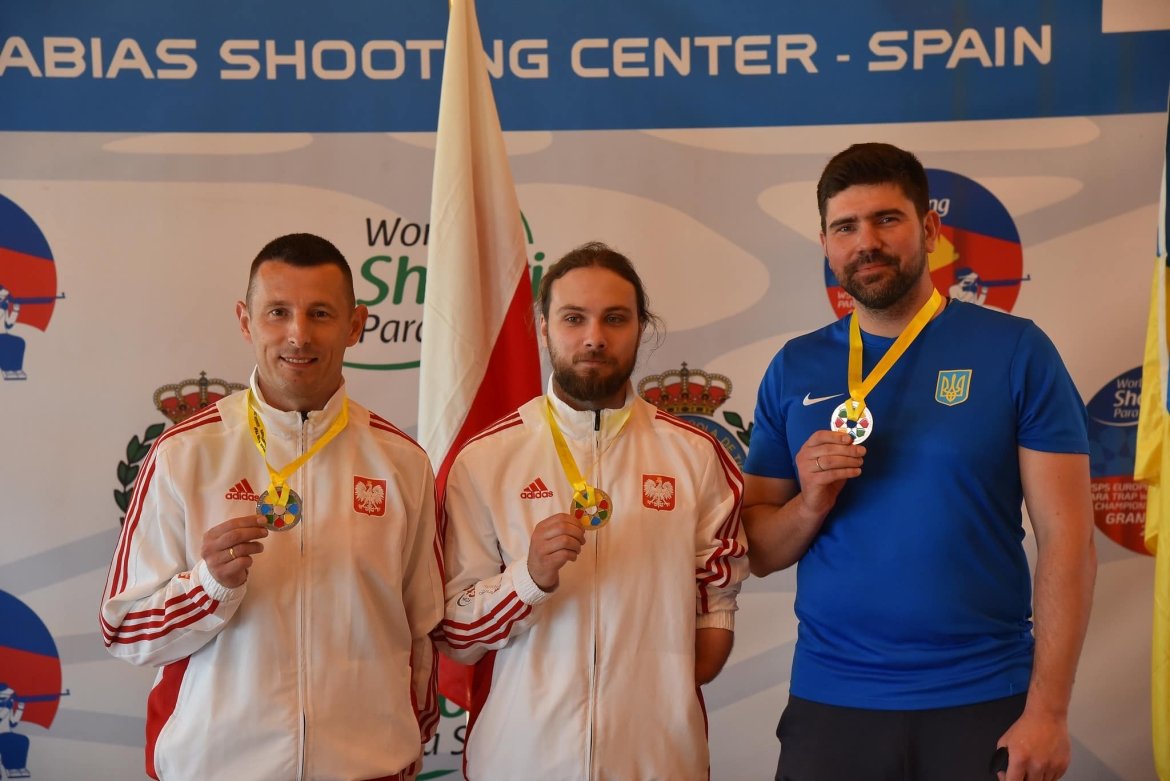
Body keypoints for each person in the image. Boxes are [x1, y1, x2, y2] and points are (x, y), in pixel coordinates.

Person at [743, 143, 1095, 781]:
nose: (866, 242)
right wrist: (811, 502)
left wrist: (1049, 711)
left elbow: (1067, 537)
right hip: (833, 701)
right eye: (846, 227)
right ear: (825, 244)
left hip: (983, 696)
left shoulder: (1016, 351)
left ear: (930, 230)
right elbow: (760, 549)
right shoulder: (794, 367)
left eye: (887, 219)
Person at [100, 233, 443, 781]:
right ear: (246, 321)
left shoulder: (402, 462)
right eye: (278, 312)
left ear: (355, 325)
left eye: (320, 313)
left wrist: (399, 744)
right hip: (217, 769)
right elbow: (125, 630)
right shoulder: (185, 453)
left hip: (368, 769)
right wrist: (207, 586)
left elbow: (422, 633)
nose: (298, 334)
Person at [437, 242, 748, 779]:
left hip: (658, 764)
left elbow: (715, 605)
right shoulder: (486, 458)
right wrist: (528, 579)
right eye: (573, 318)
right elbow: (454, 634)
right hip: (521, 763)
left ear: (641, 328)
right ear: (543, 329)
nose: (594, 337)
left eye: (615, 319)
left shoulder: (695, 455)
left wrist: (658, 700)